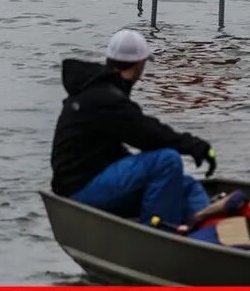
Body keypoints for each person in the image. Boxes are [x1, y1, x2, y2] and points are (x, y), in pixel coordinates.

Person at [51, 29, 217, 227]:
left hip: (93, 178)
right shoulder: (105, 98)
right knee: (167, 160)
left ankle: (212, 233)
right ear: (140, 65)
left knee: (186, 185)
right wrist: (195, 146)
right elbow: (148, 135)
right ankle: (160, 234)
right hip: (79, 192)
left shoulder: (98, 90)